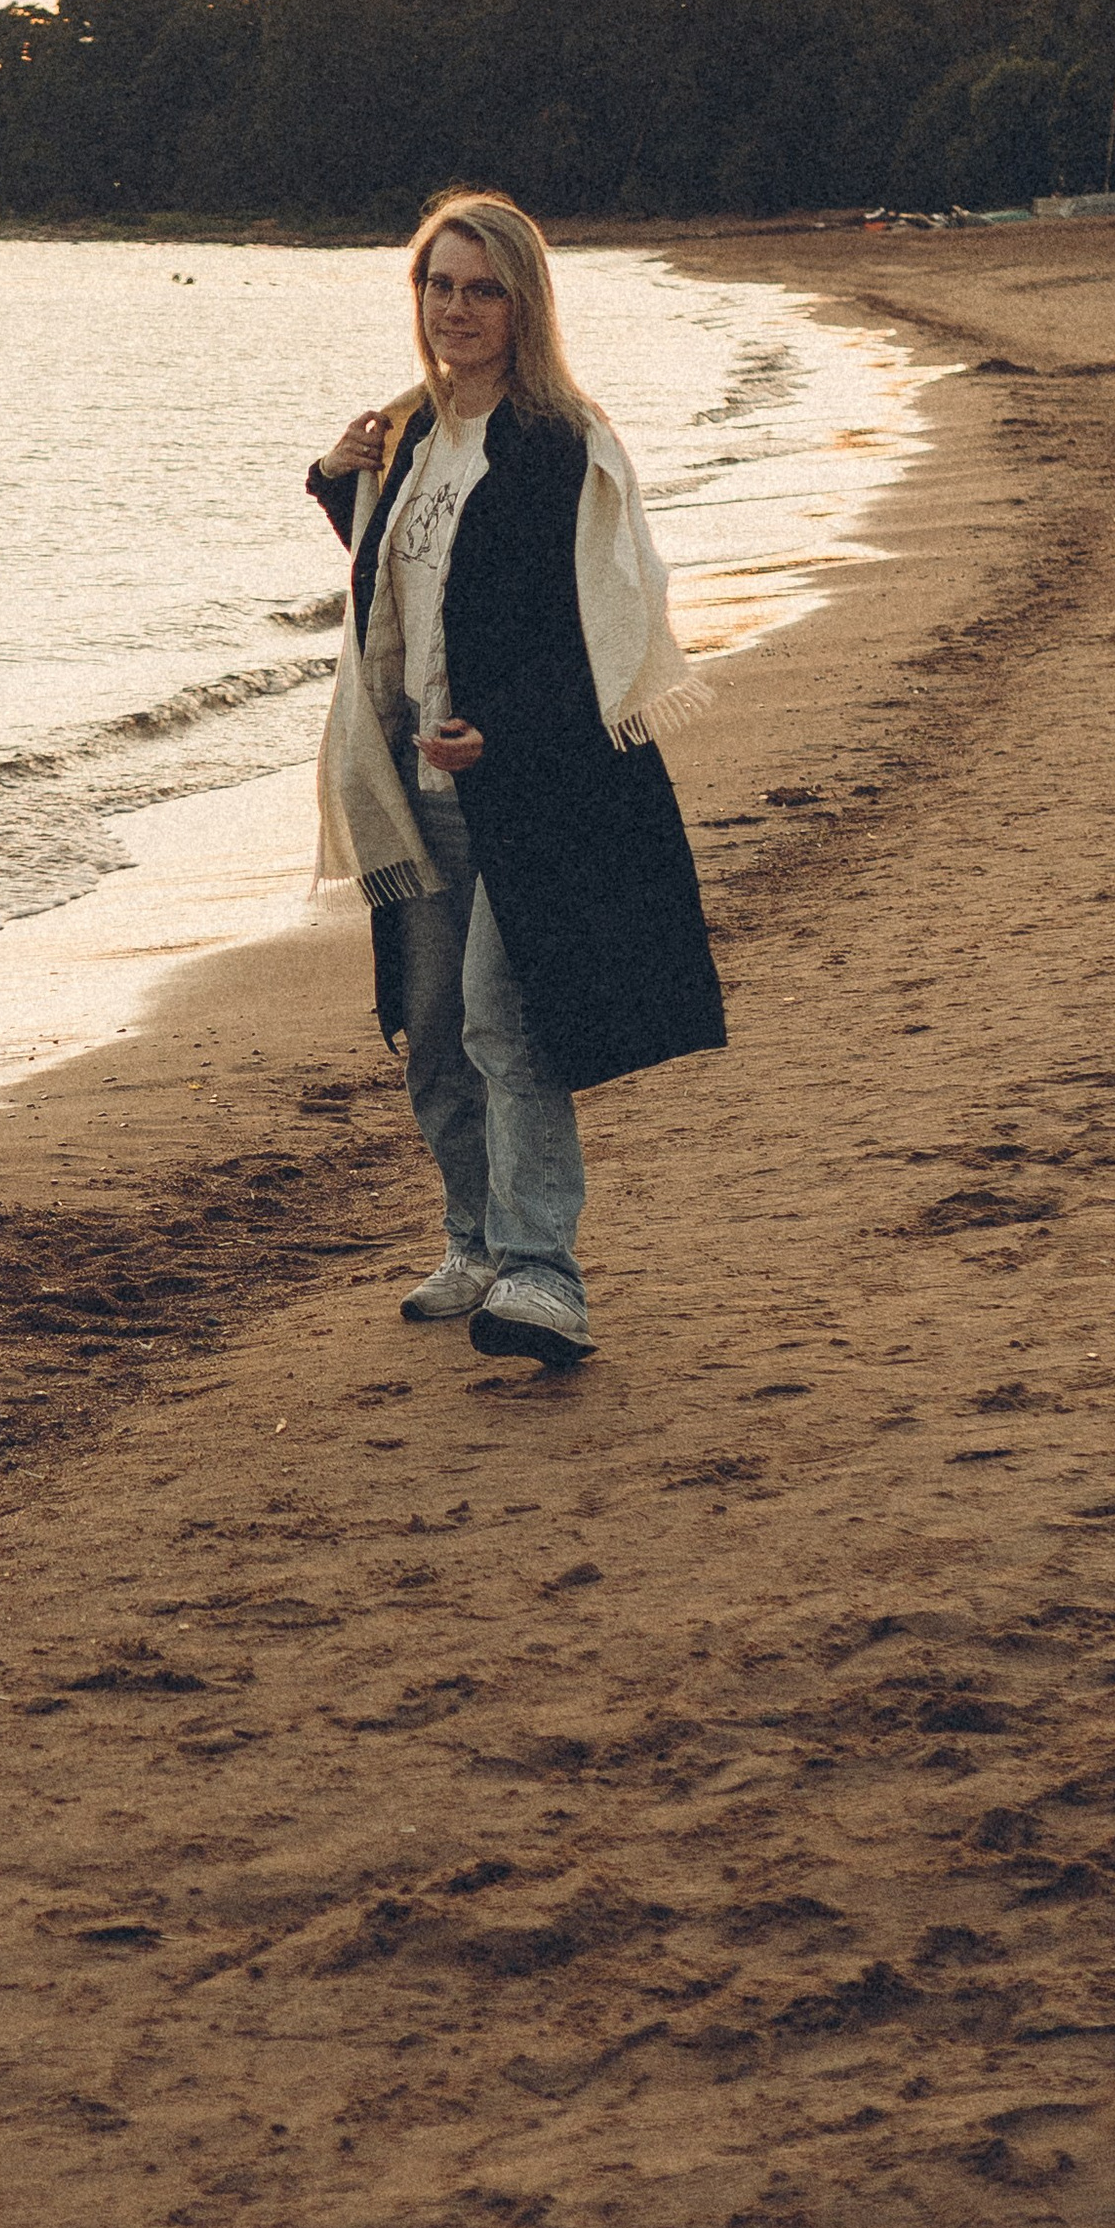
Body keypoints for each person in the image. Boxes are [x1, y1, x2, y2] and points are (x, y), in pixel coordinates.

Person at [307, 189, 726, 1367]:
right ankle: (476, 1243)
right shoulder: (408, 440)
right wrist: (337, 486)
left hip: (535, 787)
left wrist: (508, 729)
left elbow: (599, 619)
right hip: (415, 790)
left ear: (524, 302)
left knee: (507, 1023)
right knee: (433, 1035)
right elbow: (406, 591)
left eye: (482, 287)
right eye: (439, 285)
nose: (456, 309)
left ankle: (545, 1277)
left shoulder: (557, 444)